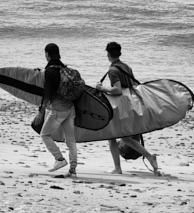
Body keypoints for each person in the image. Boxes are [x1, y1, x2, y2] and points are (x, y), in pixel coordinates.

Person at [94, 41, 162, 176]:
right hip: (131, 102)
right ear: (120, 53)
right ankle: (147, 158)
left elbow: (117, 90)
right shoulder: (126, 67)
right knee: (122, 137)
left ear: (108, 54)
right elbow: (132, 85)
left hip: (122, 104)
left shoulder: (113, 70)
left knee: (114, 136)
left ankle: (121, 167)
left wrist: (101, 88)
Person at [39, 43, 78, 177]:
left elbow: (47, 93)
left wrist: (41, 110)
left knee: (44, 134)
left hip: (58, 110)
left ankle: (59, 159)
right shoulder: (65, 69)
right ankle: (73, 170)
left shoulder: (49, 72)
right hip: (70, 109)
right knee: (71, 140)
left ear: (47, 54)